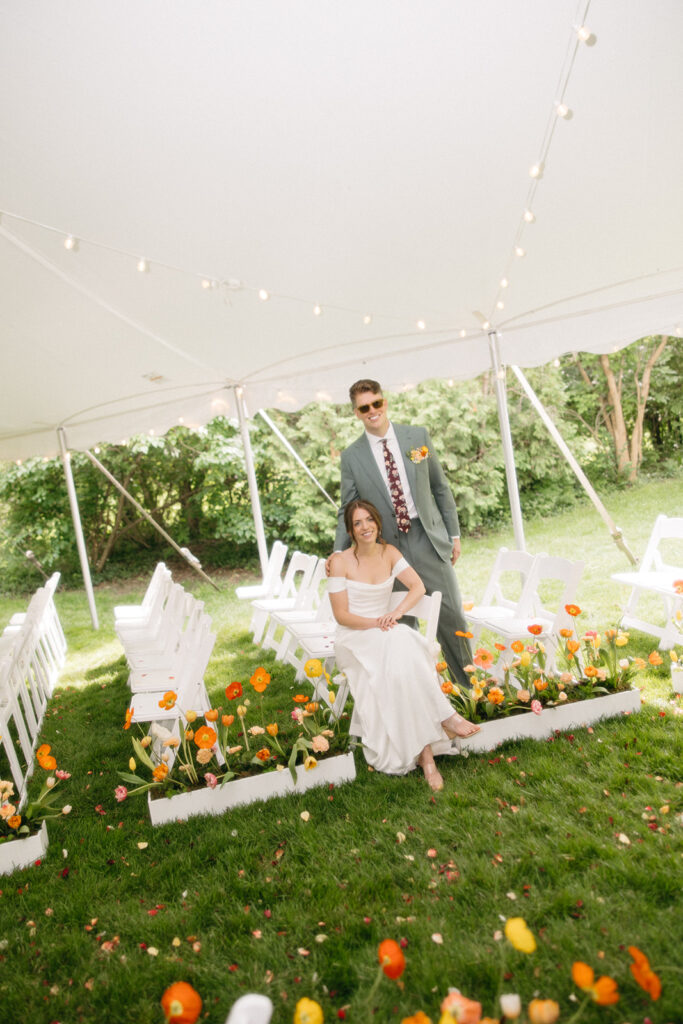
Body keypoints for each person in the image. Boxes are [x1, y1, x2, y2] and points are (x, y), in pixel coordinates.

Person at [328, 499, 479, 791]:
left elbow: (418, 586)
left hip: (384, 633)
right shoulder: (340, 562)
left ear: (377, 522)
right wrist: (377, 623)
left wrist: (396, 613)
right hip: (354, 636)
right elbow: (341, 615)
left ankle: (426, 756)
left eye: (368, 520)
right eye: (357, 523)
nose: (364, 527)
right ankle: (445, 718)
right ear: (350, 529)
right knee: (402, 641)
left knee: (400, 660)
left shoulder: (390, 553)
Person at [332, 378, 472, 687]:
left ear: (384, 402)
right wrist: (337, 552)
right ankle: (418, 696)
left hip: (428, 539)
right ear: (356, 413)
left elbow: (439, 487)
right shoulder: (352, 457)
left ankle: (469, 691)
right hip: (385, 551)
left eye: (377, 403)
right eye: (364, 407)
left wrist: (454, 534)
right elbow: (348, 507)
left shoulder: (417, 437)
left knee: (452, 618)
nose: (373, 411)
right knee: (399, 627)